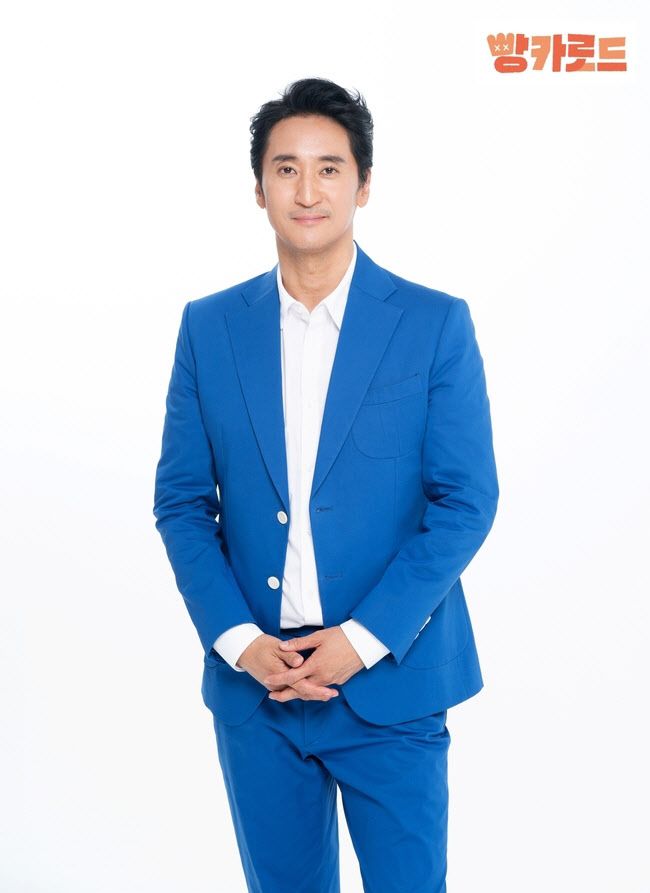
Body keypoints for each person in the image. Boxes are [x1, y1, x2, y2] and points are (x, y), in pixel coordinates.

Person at [153, 76, 499, 893]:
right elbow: (182, 502)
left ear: (363, 184)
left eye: (329, 168)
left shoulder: (433, 322)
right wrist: (240, 642)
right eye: (286, 169)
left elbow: (466, 501)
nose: (307, 190)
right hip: (259, 691)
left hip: (392, 683)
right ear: (259, 188)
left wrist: (365, 637)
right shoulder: (209, 326)